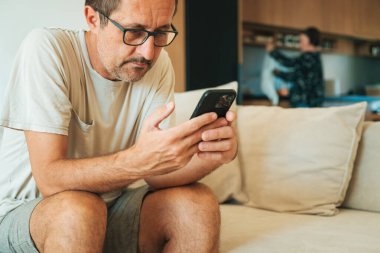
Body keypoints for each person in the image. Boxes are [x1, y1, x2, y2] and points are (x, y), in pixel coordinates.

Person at [0, 0, 238, 252]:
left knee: (197, 203)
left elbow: (157, 174)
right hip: (28, 211)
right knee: (79, 211)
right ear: (92, 19)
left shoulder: (158, 65)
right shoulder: (47, 48)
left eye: (160, 33)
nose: (148, 52)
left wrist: (214, 155)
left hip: (108, 210)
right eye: (134, 32)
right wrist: (138, 160)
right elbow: (50, 179)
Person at [266, 27, 324, 107]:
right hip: (309, 102)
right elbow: (298, 74)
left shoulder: (309, 57)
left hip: (306, 102)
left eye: (301, 41)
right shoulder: (313, 57)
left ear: (310, 41)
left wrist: (272, 52)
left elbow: (290, 65)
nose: (300, 44)